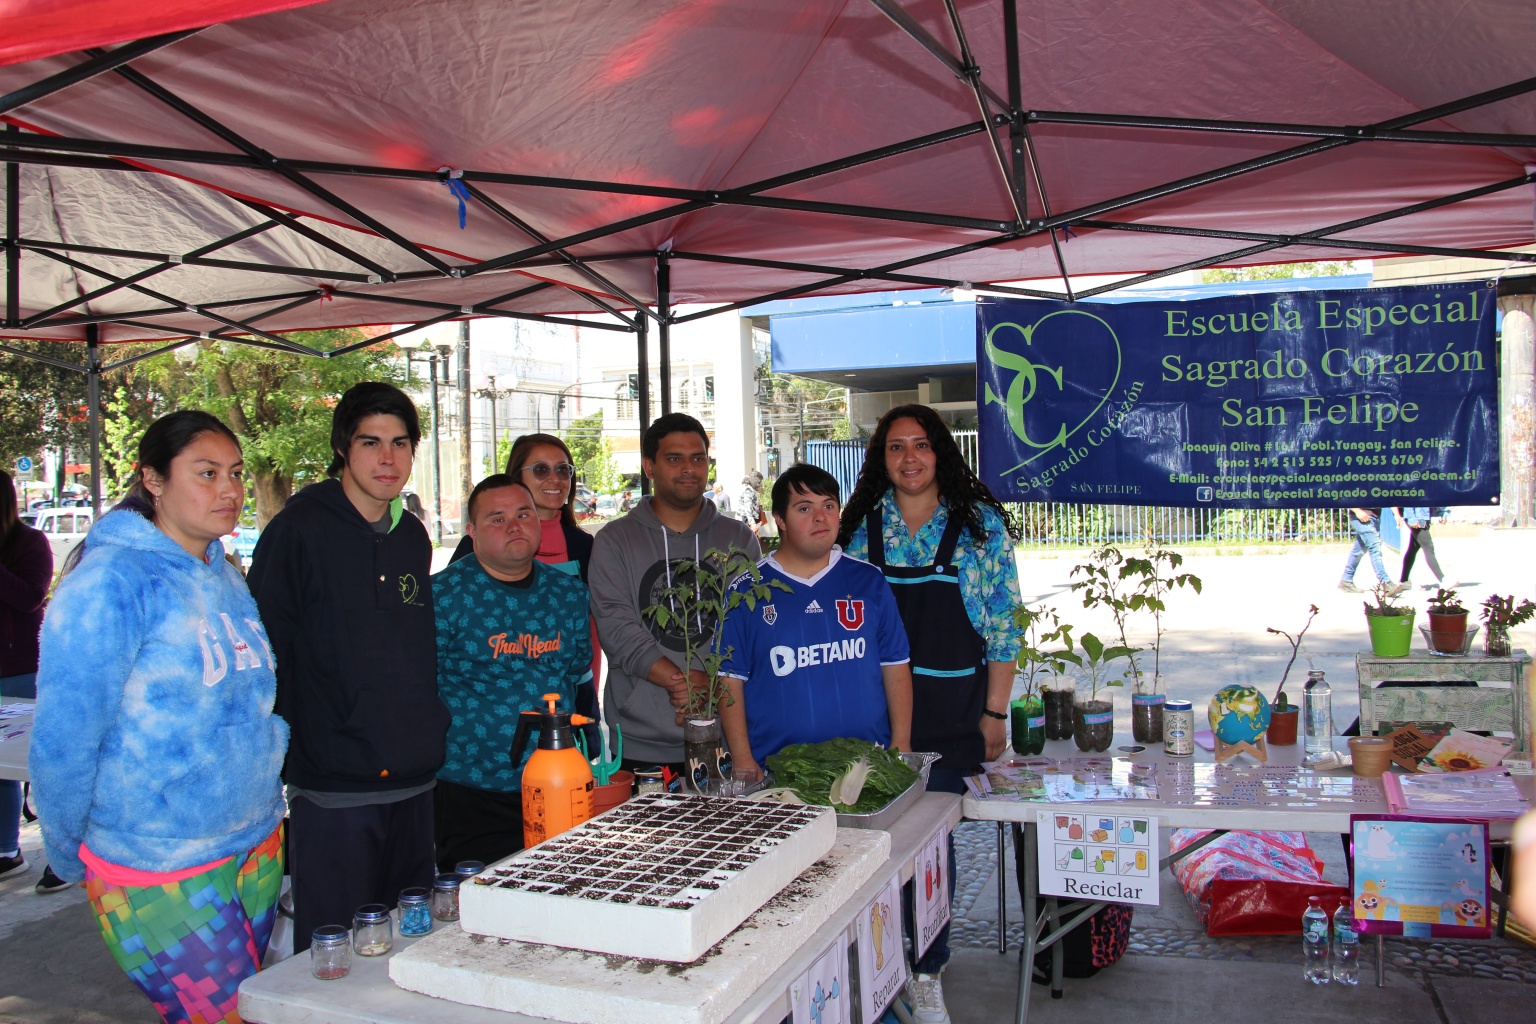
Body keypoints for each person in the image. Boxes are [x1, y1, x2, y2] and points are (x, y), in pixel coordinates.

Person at [29, 411, 288, 1024]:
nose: (228, 490)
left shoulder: (224, 574)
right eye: (206, 473)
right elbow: (65, 737)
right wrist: (69, 853)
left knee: (251, 1005)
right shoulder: (109, 583)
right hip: (156, 859)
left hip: (251, 838)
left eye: (234, 473)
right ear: (152, 479)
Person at [838, 403, 1024, 1024]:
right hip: (876, 718)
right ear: (881, 458)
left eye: (920, 445)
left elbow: (1003, 626)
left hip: (954, 715)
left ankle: (927, 972)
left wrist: (995, 714)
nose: (909, 458)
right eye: (896, 447)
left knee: (931, 851)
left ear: (941, 451)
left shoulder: (979, 525)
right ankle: (878, 967)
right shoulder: (861, 528)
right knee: (874, 848)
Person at [247, 382, 447, 953]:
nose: (388, 459)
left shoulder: (411, 534)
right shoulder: (298, 531)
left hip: (414, 780)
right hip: (334, 789)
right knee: (332, 961)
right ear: (343, 448)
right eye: (371, 442)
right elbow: (266, 651)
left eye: (401, 443)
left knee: (409, 950)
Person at [433, 475, 593, 869]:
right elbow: (418, 686)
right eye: (497, 519)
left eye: (523, 514)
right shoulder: (443, 595)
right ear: (472, 531)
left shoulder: (569, 593)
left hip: (557, 781)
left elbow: (576, 666)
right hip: (471, 788)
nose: (514, 526)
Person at [718, 465, 911, 781]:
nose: (820, 517)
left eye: (829, 506)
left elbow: (896, 664)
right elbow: (729, 680)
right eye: (804, 508)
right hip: (779, 774)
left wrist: (901, 744)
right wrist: (742, 758)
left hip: (868, 768)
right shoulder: (746, 590)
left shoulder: (869, 582)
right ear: (779, 519)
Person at [590, 413, 759, 775]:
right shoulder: (614, 540)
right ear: (648, 466)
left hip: (726, 736)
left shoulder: (739, 539)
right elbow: (617, 630)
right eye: (674, 459)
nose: (689, 469)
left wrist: (711, 687)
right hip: (640, 741)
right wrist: (686, 682)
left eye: (698, 458)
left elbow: (749, 630)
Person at [450, 433, 600, 732]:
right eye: (541, 470)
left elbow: (589, 634)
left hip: (566, 702)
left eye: (563, 469)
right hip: (489, 719)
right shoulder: (476, 546)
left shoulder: (584, 545)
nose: (555, 479)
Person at [0, 469, 53, 883]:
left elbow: (31, 598)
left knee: (37, 767)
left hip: (20, 670)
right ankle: (8, 846)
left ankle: (59, 853)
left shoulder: (30, 543)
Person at [1339, 508, 1405, 595]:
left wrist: (1396, 514)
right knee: (1375, 550)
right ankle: (1386, 582)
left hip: (1373, 517)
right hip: (1360, 517)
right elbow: (1345, 497)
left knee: (1358, 551)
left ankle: (1346, 580)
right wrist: (1357, 511)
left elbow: (1388, 496)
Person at [1394, 506, 1455, 591]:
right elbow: (1409, 498)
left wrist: (1443, 513)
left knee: (1413, 548)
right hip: (1417, 517)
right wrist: (1411, 518)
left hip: (1424, 516)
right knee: (1428, 547)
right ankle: (1443, 580)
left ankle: (1404, 581)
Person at [737, 470, 765, 539]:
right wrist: (752, 523)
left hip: (744, 521)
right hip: (745, 521)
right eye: (759, 481)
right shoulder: (748, 490)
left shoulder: (746, 487)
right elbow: (747, 507)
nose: (760, 484)